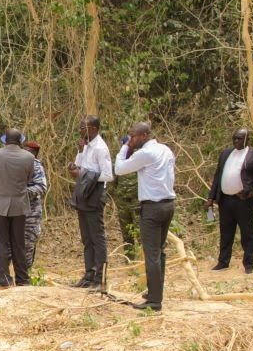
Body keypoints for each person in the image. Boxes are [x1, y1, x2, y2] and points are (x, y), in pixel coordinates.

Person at [113, 121, 177, 312]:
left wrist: (124, 147)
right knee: (160, 251)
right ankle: (155, 292)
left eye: (133, 136)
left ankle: (155, 301)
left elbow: (119, 169)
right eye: (129, 137)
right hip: (168, 204)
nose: (131, 140)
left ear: (143, 135)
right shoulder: (165, 149)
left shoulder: (145, 153)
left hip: (153, 207)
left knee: (152, 254)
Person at [207, 128, 253, 273]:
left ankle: (248, 264)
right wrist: (211, 197)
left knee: (247, 232)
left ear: (246, 139)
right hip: (225, 200)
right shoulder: (225, 154)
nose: (236, 141)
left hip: (244, 200)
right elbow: (218, 176)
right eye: (234, 138)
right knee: (226, 232)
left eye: (239, 138)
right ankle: (223, 262)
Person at [0, 129, 37, 288]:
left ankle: (4, 279)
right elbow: (29, 179)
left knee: (0, 243)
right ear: (20, 141)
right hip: (19, 205)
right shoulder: (29, 157)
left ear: (5, 140)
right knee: (18, 243)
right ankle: (23, 279)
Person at [69, 116, 113, 289]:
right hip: (83, 195)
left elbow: (108, 175)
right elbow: (80, 169)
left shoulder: (100, 148)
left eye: (83, 127)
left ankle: (100, 278)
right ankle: (89, 274)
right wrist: (79, 154)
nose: (80, 130)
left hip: (94, 195)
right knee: (86, 238)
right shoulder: (86, 146)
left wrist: (85, 175)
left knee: (97, 237)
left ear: (93, 128)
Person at [110, 133, 141, 263]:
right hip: (123, 203)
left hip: (137, 203)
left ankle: (141, 260)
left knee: (139, 233)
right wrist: (118, 197)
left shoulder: (138, 161)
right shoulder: (119, 163)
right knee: (126, 233)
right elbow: (113, 182)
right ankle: (129, 260)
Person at [21, 136, 48, 273]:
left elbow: (42, 187)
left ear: (34, 153)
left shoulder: (36, 166)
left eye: (28, 151)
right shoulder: (18, 163)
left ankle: (25, 276)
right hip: (16, 211)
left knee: (28, 245)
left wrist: (23, 192)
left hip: (31, 213)